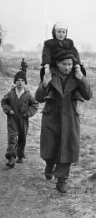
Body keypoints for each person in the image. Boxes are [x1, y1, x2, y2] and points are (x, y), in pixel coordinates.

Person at [35, 50, 92, 193]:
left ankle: (62, 180)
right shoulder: (49, 75)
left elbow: (88, 95)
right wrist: (44, 84)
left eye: (70, 64)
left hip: (70, 118)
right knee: (50, 146)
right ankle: (49, 165)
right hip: (51, 117)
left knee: (68, 147)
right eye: (64, 64)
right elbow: (39, 98)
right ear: (57, 64)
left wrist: (81, 78)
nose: (67, 67)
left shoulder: (77, 76)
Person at [1, 71, 39, 168]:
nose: (20, 82)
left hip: (23, 119)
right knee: (12, 138)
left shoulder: (28, 94)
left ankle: (20, 155)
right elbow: (4, 102)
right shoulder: (10, 93)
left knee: (22, 138)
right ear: (15, 82)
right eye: (18, 80)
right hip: (12, 118)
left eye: (22, 80)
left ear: (25, 82)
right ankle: (11, 158)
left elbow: (35, 105)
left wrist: (27, 114)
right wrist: (8, 110)